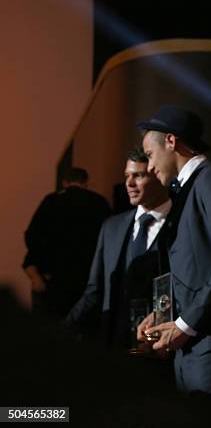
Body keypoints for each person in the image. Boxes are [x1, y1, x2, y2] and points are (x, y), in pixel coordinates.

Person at [136, 105, 211, 408]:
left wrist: (185, 324)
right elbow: (194, 268)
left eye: (149, 155)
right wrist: (164, 318)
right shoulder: (189, 188)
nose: (149, 167)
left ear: (172, 142)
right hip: (193, 348)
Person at [65, 148, 171, 349]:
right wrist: (62, 330)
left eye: (138, 175)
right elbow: (93, 291)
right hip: (115, 346)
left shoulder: (182, 224)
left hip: (164, 351)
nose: (129, 184)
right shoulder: (111, 227)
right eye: (127, 176)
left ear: (158, 176)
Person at [23, 167, 111, 319]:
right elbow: (110, 237)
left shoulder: (51, 201)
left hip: (55, 278)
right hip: (87, 276)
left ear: (64, 182)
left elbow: (32, 235)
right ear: (85, 183)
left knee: (50, 327)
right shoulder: (98, 202)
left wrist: (42, 266)